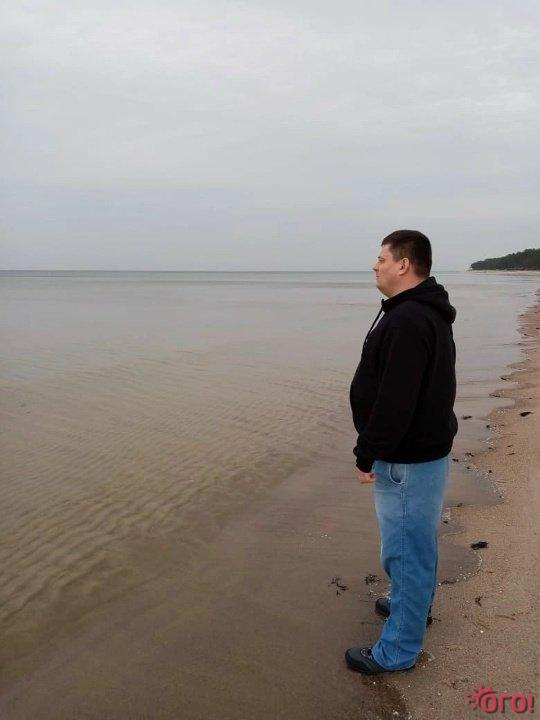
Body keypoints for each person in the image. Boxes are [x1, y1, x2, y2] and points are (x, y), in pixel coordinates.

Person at [345, 229, 458, 675]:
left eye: (381, 258)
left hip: (408, 458)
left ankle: (398, 651)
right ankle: (412, 604)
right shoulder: (420, 311)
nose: (375, 265)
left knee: (406, 550)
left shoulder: (410, 319)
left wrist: (366, 452)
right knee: (415, 542)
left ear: (404, 264)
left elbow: (397, 400)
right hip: (422, 451)